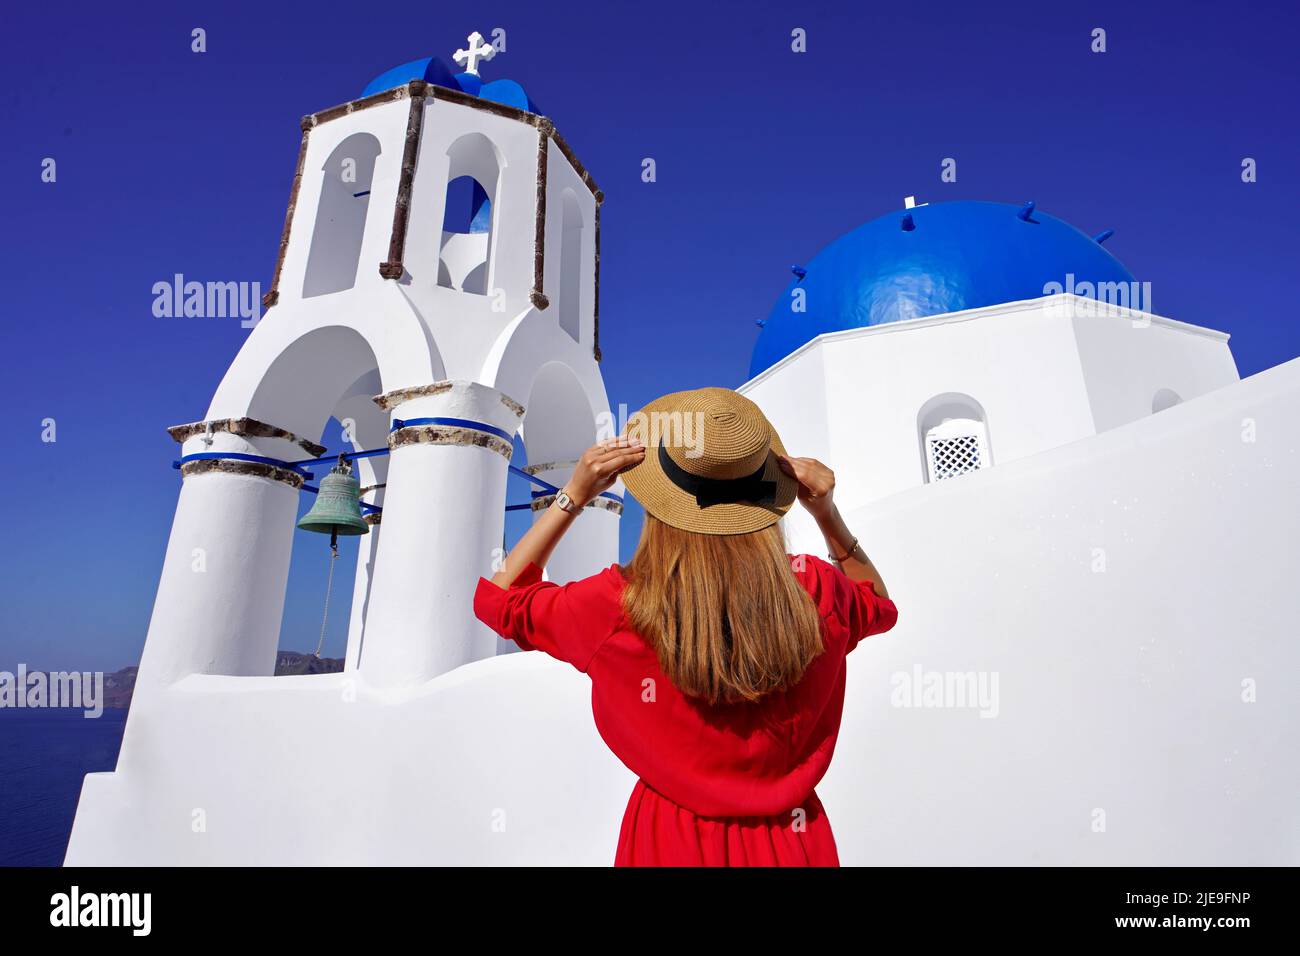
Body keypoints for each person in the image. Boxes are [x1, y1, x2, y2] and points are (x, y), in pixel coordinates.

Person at [472, 387, 899, 866]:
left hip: (668, 842)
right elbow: (877, 603)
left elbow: (500, 601)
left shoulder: (619, 606)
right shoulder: (816, 591)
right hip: (793, 843)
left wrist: (573, 495)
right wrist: (826, 513)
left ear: (661, 503)